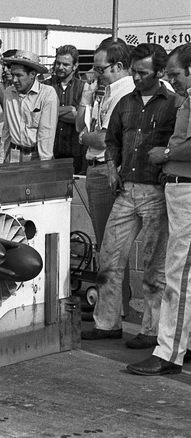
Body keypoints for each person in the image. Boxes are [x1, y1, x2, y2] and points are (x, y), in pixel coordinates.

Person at [81, 44, 184, 350]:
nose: (137, 77)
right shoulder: (126, 102)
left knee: (155, 268)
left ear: (159, 72)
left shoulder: (174, 103)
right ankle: (107, 323)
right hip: (127, 188)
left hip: (156, 190)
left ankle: (151, 330)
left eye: (143, 72)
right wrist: (112, 169)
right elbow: (111, 139)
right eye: (134, 71)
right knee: (109, 258)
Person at [128, 42, 191, 375]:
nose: (173, 81)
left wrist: (166, 154)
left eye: (176, 74)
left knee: (179, 276)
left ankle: (168, 352)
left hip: (187, 190)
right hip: (180, 188)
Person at [76, 38, 135, 317]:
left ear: (119, 66)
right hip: (99, 168)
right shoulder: (107, 92)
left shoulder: (124, 93)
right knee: (108, 245)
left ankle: (114, 308)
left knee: (109, 246)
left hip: (106, 169)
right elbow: (85, 126)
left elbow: (102, 138)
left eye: (101, 69)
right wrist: (86, 100)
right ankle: (115, 305)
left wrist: (85, 137)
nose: (97, 75)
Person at [0, 50, 58, 162]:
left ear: (32, 74)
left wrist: (45, 163)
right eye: (12, 75)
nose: (14, 80)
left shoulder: (47, 93)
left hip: (35, 156)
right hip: (14, 155)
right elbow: (6, 129)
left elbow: (46, 133)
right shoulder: (9, 92)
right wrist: (1, 158)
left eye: (19, 75)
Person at [44, 45, 86, 174]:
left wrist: (50, 113)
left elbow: (83, 120)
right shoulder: (45, 86)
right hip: (50, 152)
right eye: (58, 63)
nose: (60, 67)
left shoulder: (83, 88)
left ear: (75, 66)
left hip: (74, 153)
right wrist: (69, 109)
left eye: (65, 64)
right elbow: (38, 114)